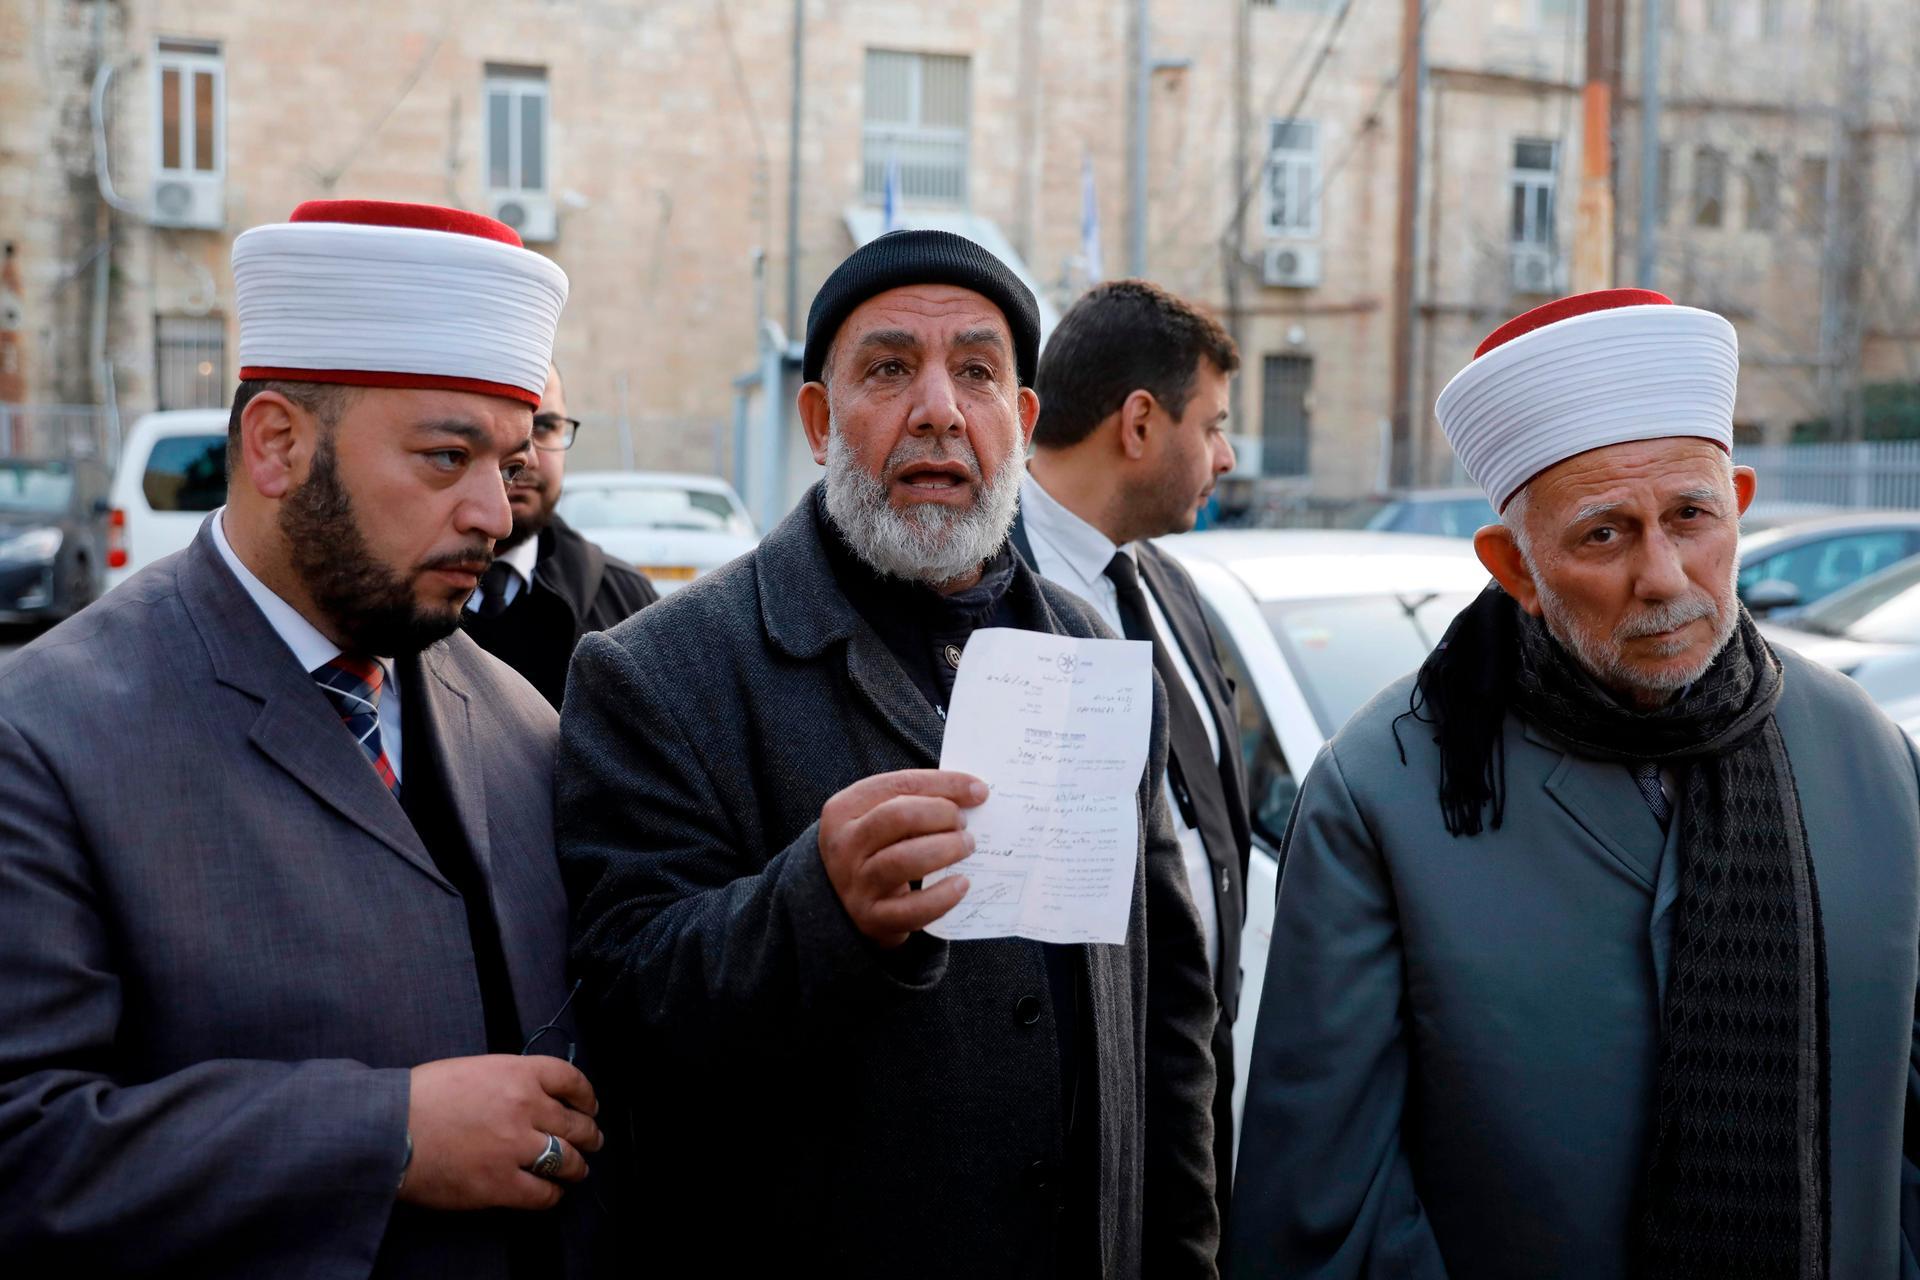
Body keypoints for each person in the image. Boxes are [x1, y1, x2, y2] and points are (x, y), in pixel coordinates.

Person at [558, 229, 1220, 1278]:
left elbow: (1168, 1015)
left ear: (1022, 418)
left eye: (976, 372)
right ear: (819, 419)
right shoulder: (661, 671)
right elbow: (627, 1010)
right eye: (888, 368)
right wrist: (817, 906)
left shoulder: (1090, 653)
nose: (938, 410)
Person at [1227, 288, 1920, 1278]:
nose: (1667, 575)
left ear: (1742, 507)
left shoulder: (1865, 754)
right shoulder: (1387, 789)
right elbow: (1323, 1216)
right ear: (1514, 565)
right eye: (1605, 534)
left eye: (1692, 516)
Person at [0, 200, 605, 1277]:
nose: (494, 513)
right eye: (445, 456)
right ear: (278, 442)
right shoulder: (45, 733)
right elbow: (27, 1147)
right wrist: (389, 1135)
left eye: (507, 461)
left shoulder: (518, 719)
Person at [1012, 279, 1250, 1237]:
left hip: (1188, 1100)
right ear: (1141, 424)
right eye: (1216, 424)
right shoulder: (987, 599)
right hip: (1069, 1136)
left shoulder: (1170, 588)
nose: (1227, 457)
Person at [462, 360, 657, 708]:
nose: (528, 458)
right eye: (503, 429)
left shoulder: (626, 602)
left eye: (546, 426)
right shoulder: (395, 603)